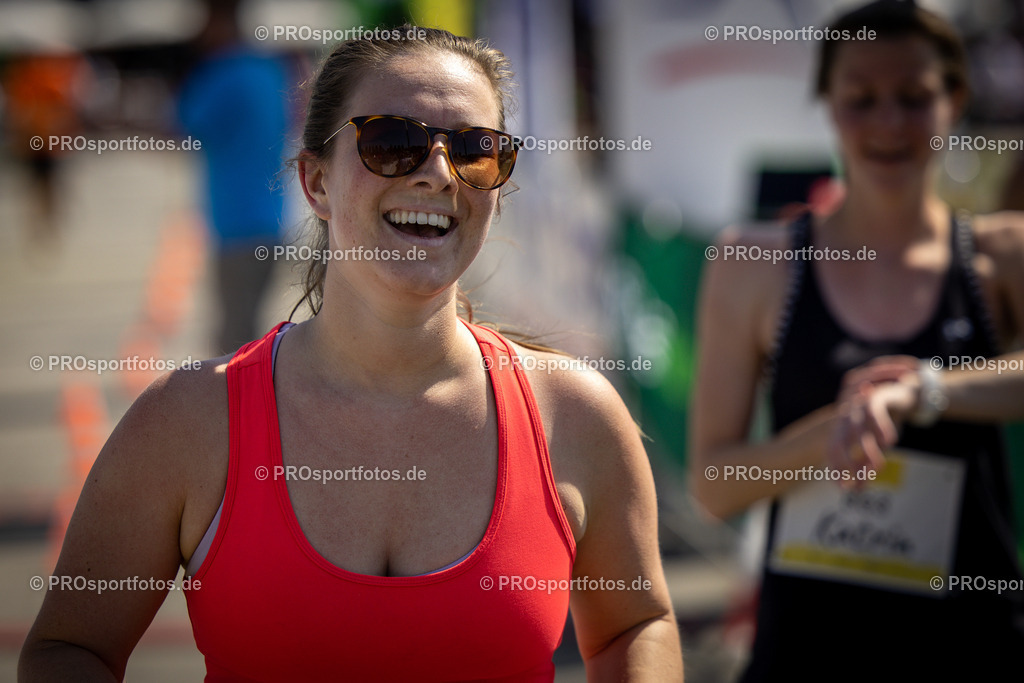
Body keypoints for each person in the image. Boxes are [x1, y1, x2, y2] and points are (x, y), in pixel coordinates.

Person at [19, 26, 683, 682]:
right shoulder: (187, 423)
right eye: (393, 143)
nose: (437, 174)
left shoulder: (576, 414)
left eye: (476, 150)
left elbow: (636, 623)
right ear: (315, 182)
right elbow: (70, 647)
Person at [689, 2, 1024, 681]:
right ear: (826, 105)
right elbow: (714, 484)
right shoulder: (753, 263)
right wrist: (833, 432)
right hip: (808, 653)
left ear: (954, 100)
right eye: (861, 99)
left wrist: (921, 391)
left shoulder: (1004, 251)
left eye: (914, 96)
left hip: (975, 648)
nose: (889, 122)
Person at [178, 0, 289, 355]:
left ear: (220, 19)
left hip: (236, 225)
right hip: (274, 219)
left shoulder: (219, 73)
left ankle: (240, 411)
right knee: (247, 330)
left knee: (234, 342)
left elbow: (180, 127)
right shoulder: (271, 70)